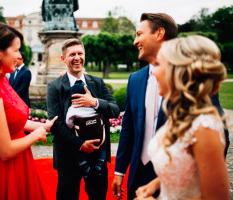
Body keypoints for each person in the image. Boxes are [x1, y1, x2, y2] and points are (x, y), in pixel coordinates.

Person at [112, 13, 229, 200]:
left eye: (162, 65)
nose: (155, 72)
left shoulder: (204, 125)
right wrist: (158, 184)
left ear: (177, 70)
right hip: (142, 176)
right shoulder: (138, 81)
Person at [0, 21, 57, 200]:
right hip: (4, 166)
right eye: (16, 50)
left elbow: (11, 120)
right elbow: (5, 150)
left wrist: (44, 125)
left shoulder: (0, 79)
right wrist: (35, 135)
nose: (19, 56)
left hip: (19, 158)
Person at [47, 38, 119, 200]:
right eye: (72, 54)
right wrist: (80, 145)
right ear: (63, 59)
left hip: (97, 155)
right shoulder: (55, 86)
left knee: (98, 196)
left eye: (80, 53)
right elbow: (55, 124)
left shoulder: (98, 83)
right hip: (69, 156)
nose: (77, 57)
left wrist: (94, 102)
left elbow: (114, 110)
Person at [66, 80, 106, 179]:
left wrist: (72, 126)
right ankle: (99, 163)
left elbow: (68, 121)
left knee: (78, 148)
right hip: (98, 134)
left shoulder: (73, 108)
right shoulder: (92, 104)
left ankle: (84, 166)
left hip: (83, 135)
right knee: (103, 145)